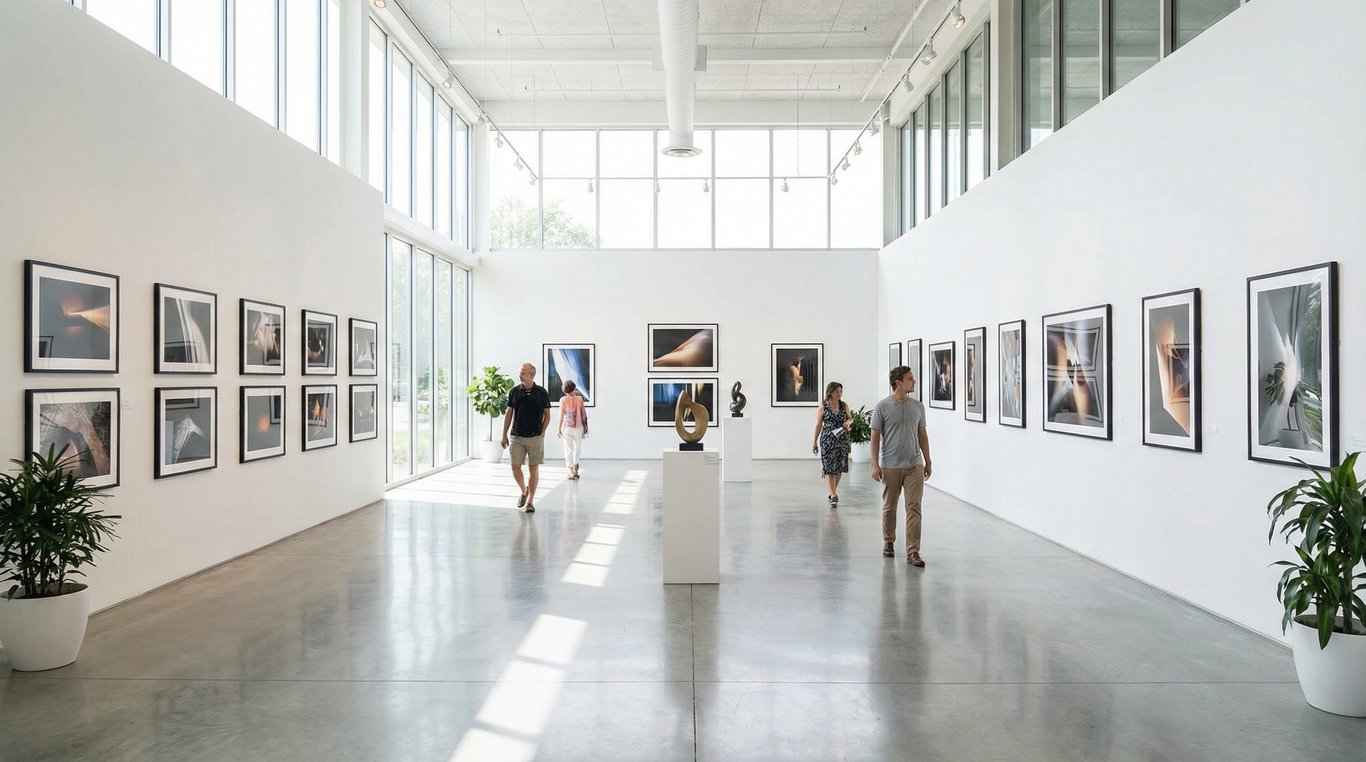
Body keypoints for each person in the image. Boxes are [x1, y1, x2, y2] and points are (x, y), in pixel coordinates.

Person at [870, 365, 933, 567]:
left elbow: (922, 435)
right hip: (891, 465)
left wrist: (928, 460)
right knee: (890, 507)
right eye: (910, 379)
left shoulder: (918, 406)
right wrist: (875, 464)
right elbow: (875, 437)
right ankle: (889, 541)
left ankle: (913, 551)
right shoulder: (882, 407)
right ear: (898, 382)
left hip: (914, 464)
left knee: (914, 507)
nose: (913, 382)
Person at [501, 362, 551, 513]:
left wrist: (542, 433)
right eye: (520, 372)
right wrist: (504, 434)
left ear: (531, 375)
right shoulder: (514, 391)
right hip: (516, 436)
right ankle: (524, 490)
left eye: (523, 372)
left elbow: (547, 415)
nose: (520, 374)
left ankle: (530, 501)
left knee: (533, 468)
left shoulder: (542, 392)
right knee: (515, 467)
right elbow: (509, 413)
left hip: (535, 437)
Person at [810, 381, 851, 507]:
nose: (839, 394)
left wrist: (848, 423)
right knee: (829, 467)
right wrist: (814, 442)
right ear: (830, 392)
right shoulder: (823, 406)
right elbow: (818, 425)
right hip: (827, 440)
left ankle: (832, 492)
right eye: (836, 391)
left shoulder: (844, 406)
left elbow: (850, 418)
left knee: (838, 468)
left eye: (841, 391)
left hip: (841, 440)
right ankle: (833, 494)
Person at [557, 379, 588, 480]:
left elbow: (561, 416)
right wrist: (585, 425)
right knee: (577, 447)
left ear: (565, 391)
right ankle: (576, 466)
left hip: (567, 427)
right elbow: (583, 413)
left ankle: (570, 470)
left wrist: (558, 429)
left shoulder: (563, 400)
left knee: (568, 449)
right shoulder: (579, 399)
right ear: (574, 388)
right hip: (578, 427)